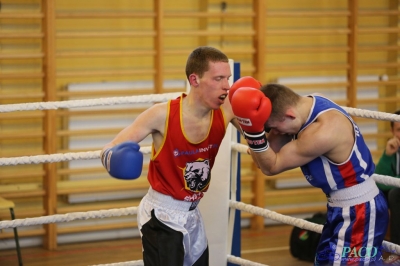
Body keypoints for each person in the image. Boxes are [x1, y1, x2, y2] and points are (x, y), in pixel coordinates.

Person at [100, 46, 243, 266]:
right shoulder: (161, 115)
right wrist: (116, 160)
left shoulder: (227, 109)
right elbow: (110, 147)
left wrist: (258, 121)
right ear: (194, 80)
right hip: (162, 216)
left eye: (228, 78)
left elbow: (264, 141)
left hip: (194, 215)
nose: (226, 86)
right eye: (218, 78)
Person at [230, 82, 389, 266]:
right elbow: (264, 154)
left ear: (289, 115)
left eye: (276, 128)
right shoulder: (303, 108)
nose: (277, 133)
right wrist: (241, 118)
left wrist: (252, 133)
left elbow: (270, 165)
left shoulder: (322, 132)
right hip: (339, 208)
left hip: (360, 210)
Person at [375, 110, 400, 264]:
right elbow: (378, 182)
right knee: (372, 195)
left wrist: (394, 180)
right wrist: (387, 155)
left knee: (394, 194)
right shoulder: (393, 150)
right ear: (392, 131)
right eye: (399, 130)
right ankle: (367, 250)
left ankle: (397, 249)